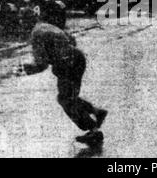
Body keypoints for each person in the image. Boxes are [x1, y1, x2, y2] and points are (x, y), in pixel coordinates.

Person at [21, 11, 108, 146]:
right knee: (69, 96)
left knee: (65, 99)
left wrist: (26, 70)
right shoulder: (46, 26)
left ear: (26, 23)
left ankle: (94, 131)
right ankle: (97, 112)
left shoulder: (36, 34)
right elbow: (72, 40)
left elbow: (41, 64)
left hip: (67, 65)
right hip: (76, 58)